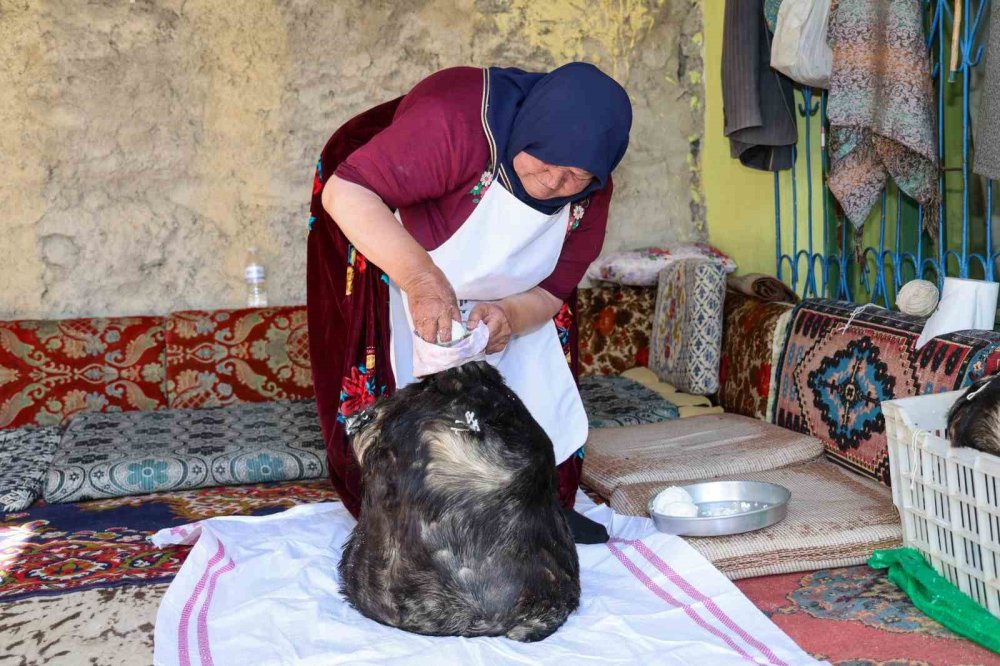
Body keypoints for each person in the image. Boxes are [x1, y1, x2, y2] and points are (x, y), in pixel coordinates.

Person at [307, 63, 632, 543]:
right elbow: (347, 191)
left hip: (503, 285)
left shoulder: (590, 193)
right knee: (392, 369)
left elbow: (550, 293)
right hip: (388, 225)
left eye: (573, 177)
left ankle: (535, 507)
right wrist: (419, 278)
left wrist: (509, 316)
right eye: (542, 165)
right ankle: (408, 516)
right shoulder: (454, 123)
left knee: (528, 364)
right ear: (525, 133)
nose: (552, 184)